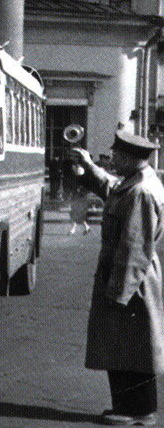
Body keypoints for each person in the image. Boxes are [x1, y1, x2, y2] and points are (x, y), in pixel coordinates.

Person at [71, 131, 164, 425]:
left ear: (130, 158)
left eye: (116, 156)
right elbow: (111, 188)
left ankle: (139, 410)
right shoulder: (136, 183)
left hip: (131, 277)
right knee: (127, 343)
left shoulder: (141, 193)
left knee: (133, 345)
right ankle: (128, 406)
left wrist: (120, 292)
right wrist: (88, 166)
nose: (111, 159)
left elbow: (135, 247)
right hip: (129, 274)